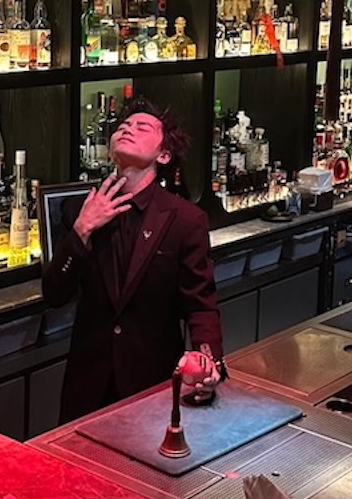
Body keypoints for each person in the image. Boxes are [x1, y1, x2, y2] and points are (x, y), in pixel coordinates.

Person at [42, 97, 225, 423]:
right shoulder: (81, 209)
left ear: (163, 155)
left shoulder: (185, 220)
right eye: (124, 126)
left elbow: (200, 306)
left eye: (142, 127)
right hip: (86, 388)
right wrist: (82, 230)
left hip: (151, 386)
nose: (128, 129)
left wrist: (209, 362)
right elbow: (55, 293)